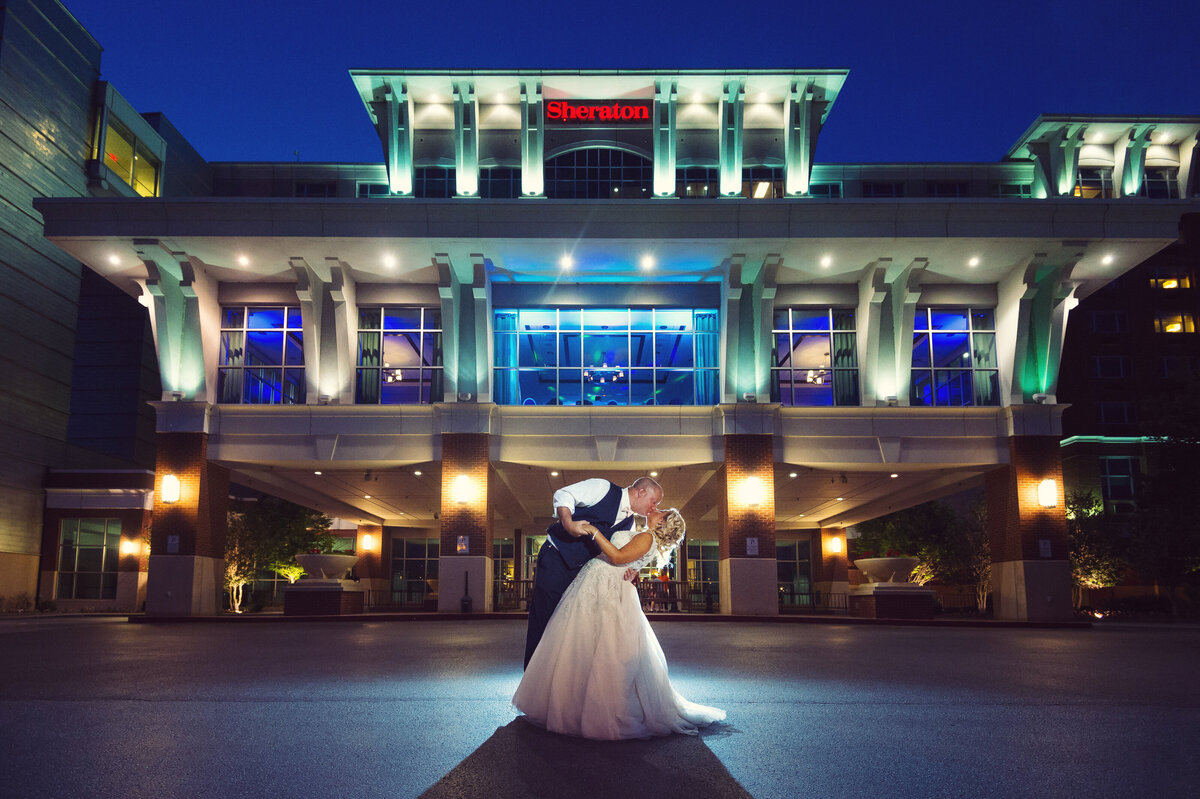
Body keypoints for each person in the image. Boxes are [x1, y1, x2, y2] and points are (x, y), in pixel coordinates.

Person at [513, 508, 725, 740]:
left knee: (598, 644)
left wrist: (593, 531)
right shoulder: (645, 535)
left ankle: (593, 707)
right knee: (589, 641)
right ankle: (578, 703)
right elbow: (628, 561)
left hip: (607, 587)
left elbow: (617, 557)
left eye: (660, 511)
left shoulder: (648, 537)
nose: (655, 509)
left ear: (663, 522)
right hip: (600, 585)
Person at [523, 476, 662, 668]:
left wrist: (630, 571)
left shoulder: (629, 523)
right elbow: (564, 494)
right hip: (557, 557)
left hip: (583, 573)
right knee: (544, 617)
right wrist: (568, 524)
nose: (654, 507)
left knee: (567, 625)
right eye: (654, 501)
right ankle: (532, 680)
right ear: (641, 492)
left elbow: (615, 554)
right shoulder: (602, 487)